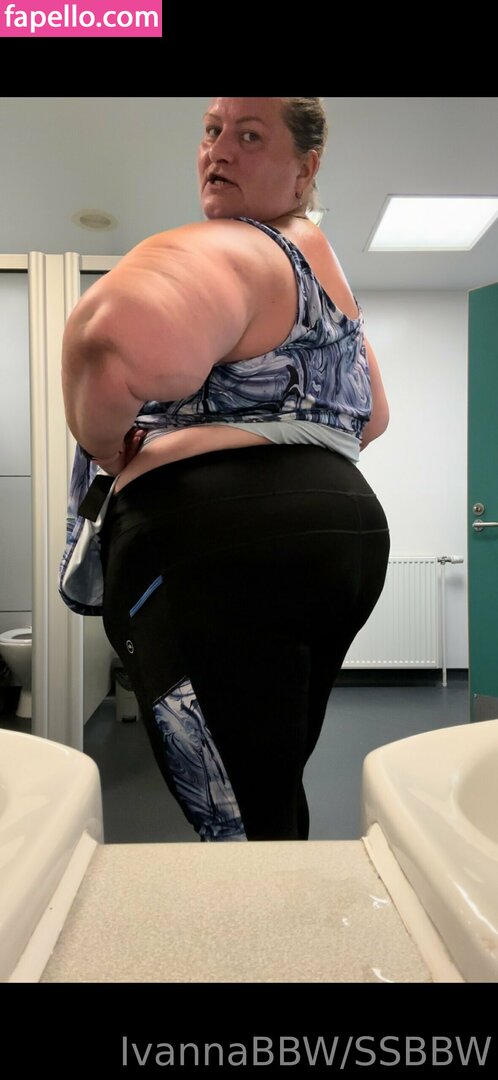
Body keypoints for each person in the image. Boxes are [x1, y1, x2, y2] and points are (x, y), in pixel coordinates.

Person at [60, 97, 390, 843]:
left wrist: (106, 446)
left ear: (304, 169)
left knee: (237, 822)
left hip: (211, 545)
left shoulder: (238, 245)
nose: (220, 150)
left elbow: (110, 335)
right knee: (271, 784)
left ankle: (266, 920)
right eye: (212, 131)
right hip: (345, 538)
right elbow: (372, 417)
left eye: (250, 135)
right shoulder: (323, 277)